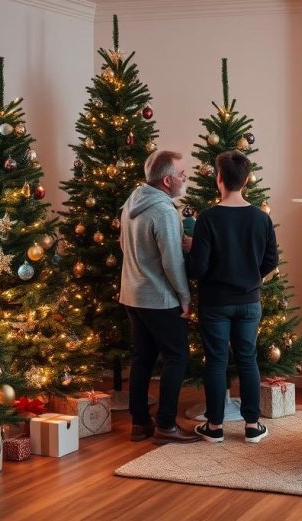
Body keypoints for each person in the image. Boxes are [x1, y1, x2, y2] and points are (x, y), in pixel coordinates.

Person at [186, 150, 278, 443]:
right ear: (247, 180)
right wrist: (252, 277)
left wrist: (190, 252)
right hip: (249, 301)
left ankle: (214, 428)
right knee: (248, 359)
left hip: (215, 302)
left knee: (216, 361)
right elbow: (271, 260)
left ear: (219, 179)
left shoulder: (208, 218)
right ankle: (252, 425)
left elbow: (198, 267)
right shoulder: (261, 219)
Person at [119, 150, 199, 443]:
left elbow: (123, 245)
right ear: (167, 181)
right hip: (159, 298)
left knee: (142, 358)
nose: (185, 178)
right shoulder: (164, 211)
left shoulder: (132, 201)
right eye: (181, 174)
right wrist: (185, 296)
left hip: (131, 293)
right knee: (177, 355)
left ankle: (140, 423)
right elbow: (172, 261)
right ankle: (166, 425)